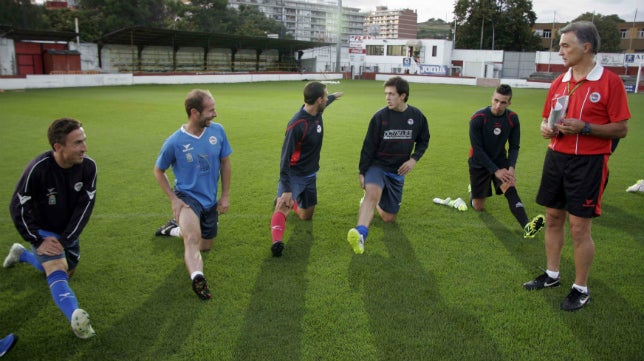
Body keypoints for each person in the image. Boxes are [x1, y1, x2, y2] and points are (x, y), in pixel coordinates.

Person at [523, 21, 630, 311]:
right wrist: (546, 128)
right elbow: (546, 118)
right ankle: (552, 274)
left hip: (589, 163)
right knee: (553, 217)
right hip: (556, 157)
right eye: (559, 45)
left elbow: (621, 129)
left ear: (587, 47)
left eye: (565, 45)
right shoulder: (560, 81)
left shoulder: (609, 82)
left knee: (579, 227)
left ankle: (581, 288)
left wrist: (585, 127)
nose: (560, 50)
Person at [3, 118, 97, 339]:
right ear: (58, 147)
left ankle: (23, 255)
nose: (84, 147)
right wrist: (36, 238)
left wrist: (66, 239)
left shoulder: (88, 167)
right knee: (56, 268)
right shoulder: (38, 169)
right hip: (42, 229)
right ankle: (76, 319)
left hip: (68, 233)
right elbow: (17, 205)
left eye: (84, 141)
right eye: (77, 143)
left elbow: (86, 206)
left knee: (67, 270)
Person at [153, 89, 232, 300]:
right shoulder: (175, 142)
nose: (215, 114)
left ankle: (173, 229)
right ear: (195, 112)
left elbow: (225, 163)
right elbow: (158, 171)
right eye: (211, 110)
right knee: (192, 240)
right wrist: (173, 198)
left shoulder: (218, 132)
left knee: (205, 246)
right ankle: (198, 277)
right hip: (187, 198)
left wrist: (225, 196)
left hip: (210, 200)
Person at [347, 76, 430, 254]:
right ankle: (361, 234)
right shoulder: (380, 117)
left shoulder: (417, 117)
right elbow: (368, 146)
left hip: (397, 171)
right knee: (372, 194)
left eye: (391, 94)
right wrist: (362, 172)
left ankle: (376, 201)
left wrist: (413, 159)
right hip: (377, 166)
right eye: (386, 94)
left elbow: (424, 140)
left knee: (389, 218)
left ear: (403, 96)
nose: (387, 98)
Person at [270, 81, 343, 257]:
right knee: (283, 207)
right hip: (294, 175)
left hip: (311, 176)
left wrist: (334, 97)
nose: (327, 99)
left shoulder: (317, 110)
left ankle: (292, 201)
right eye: (326, 96)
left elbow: (327, 102)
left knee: (306, 216)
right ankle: (277, 242)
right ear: (319, 100)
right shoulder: (297, 125)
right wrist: (287, 189)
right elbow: (284, 159)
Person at [468, 84, 545, 238]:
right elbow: (477, 149)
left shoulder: (512, 118)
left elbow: (514, 146)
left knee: (509, 185)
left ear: (509, 103)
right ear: (492, 98)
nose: (498, 105)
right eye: (496, 100)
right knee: (478, 207)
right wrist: (495, 171)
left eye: (503, 102)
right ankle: (473, 191)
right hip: (479, 162)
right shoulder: (478, 118)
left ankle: (527, 227)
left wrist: (510, 168)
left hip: (500, 161)